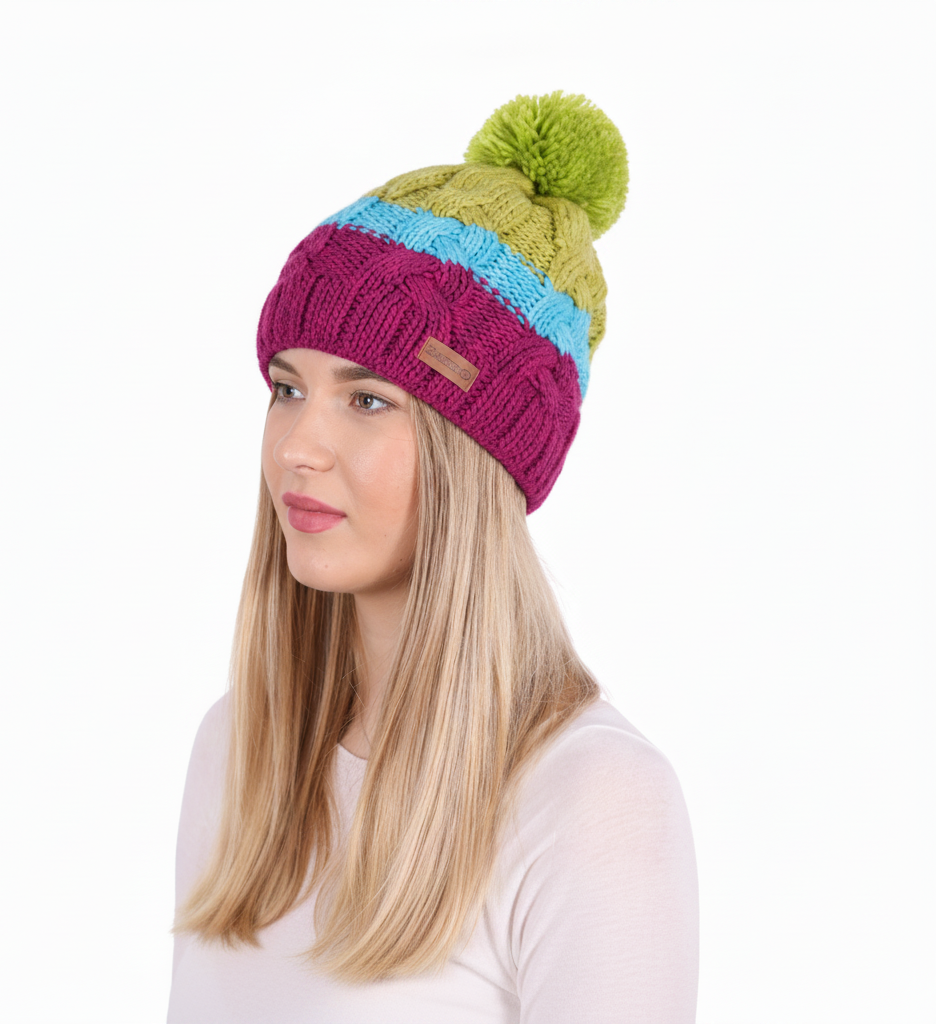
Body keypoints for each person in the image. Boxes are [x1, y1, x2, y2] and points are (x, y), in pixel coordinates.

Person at [167, 92, 699, 1023]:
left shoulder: (592, 801)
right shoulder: (239, 747)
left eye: (368, 400)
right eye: (287, 388)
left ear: (477, 459)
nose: (298, 447)